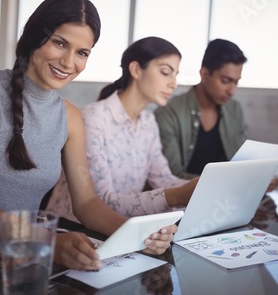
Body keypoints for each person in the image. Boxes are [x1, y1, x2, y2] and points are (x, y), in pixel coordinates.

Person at [0, 0, 176, 273]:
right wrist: (45, 241)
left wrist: (137, 234)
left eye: (82, 53)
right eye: (59, 43)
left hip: (23, 270)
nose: (68, 62)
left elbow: (86, 203)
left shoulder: (71, 117)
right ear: (34, 37)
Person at [45, 36, 198, 221]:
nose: (174, 83)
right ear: (135, 70)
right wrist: (177, 195)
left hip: (119, 228)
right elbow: (101, 204)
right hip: (70, 230)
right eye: (166, 72)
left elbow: (164, 180)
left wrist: (203, 184)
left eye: (176, 75)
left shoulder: (148, 122)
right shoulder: (93, 118)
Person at [154, 39, 278, 191]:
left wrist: (260, 177)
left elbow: (242, 162)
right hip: (185, 201)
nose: (232, 91)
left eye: (236, 83)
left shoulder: (234, 110)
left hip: (227, 198)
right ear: (205, 74)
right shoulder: (169, 113)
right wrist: (235, 182)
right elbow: (171, 176)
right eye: (226, 81)